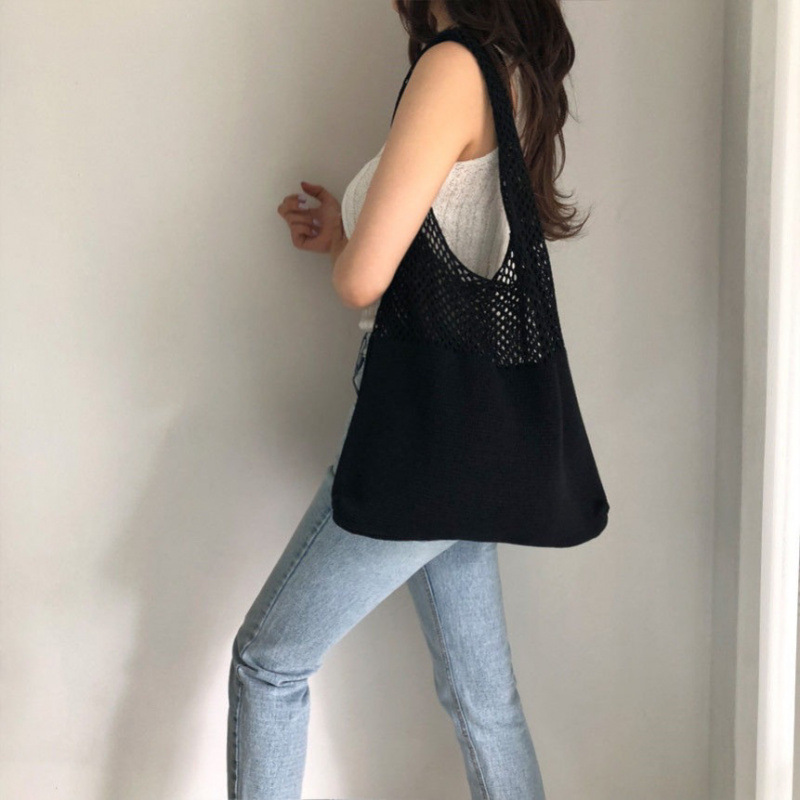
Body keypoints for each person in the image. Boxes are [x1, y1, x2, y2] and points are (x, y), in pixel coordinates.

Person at [231, 2, 588, 797]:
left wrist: (349, 255)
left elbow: (365, 280)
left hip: (424, 431)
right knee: (483, 702)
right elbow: (450, 233)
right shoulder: (515, 73)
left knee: (267, 663)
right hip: (473, 429)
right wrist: (345, 228)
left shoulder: (452, 65)